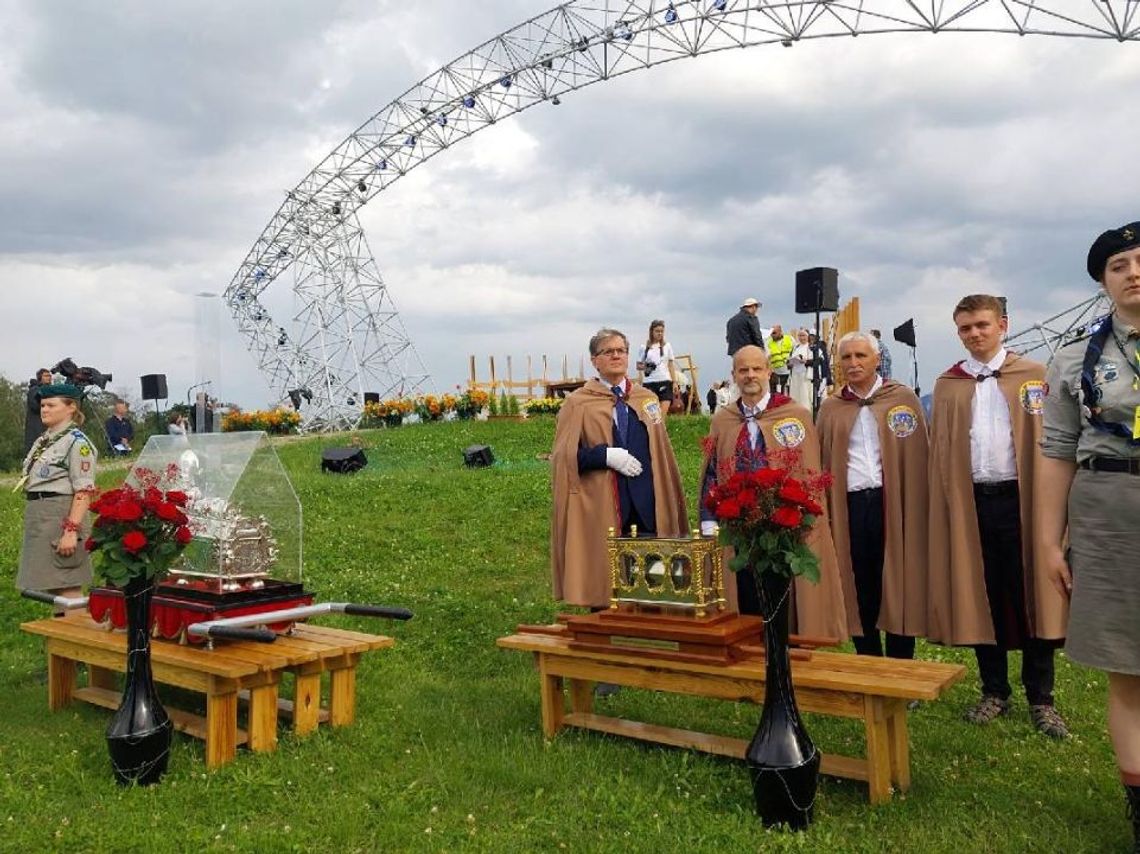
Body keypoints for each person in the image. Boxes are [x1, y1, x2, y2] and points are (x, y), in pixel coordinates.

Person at [1038, 221, 1140, 846]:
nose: (1133, 271)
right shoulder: (1074, 360)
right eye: (1118, 265)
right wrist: (1052, 541)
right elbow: (1056, 452)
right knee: (1128, 669)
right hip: (1109, 508)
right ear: (1103, 283)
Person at [927, 294, 1069, 738]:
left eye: (982, 325)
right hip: (973, 501)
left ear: (1003, 325)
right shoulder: (949, 384)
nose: (975, 334)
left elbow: (1051, 440)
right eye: (966, 328)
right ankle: (994, 689)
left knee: (1032, 592)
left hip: (1023, 498)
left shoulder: (1033, 375)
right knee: (981, 591)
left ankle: (1041, 697)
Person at [699, 345, 854, 639]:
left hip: (783, 527)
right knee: (745, 596)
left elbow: (808, 469)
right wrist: (709, 518)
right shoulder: (724, 419)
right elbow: (712, 471)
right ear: (733, 375)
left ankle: (786, 657)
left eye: (757, 368)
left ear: (769, 371)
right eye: (743, 370)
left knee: (786, 599)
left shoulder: (794, 414)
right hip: (740, 527)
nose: (750, 375)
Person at [550, 328, 688, 610]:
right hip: (604, 509)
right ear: (594, 360)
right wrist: (603, 456)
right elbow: (564, 457)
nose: (616, 355)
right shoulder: (578, 403)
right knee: (607, 590)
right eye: (608, 351)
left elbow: (662, 455)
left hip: (647, 508)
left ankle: (650, 640)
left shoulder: (646, 399)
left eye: (621, 351)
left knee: (653, 585)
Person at [817, 332, 929, 659]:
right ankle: (868, 663)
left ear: (877, 359)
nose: (853, 363)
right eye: (847, 357)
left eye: (860, 356)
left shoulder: (903, 399)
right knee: (858, 584)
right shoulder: (831, 408)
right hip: (850, 506)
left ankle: (900, 665)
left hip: (892, 504)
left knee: (897, 584)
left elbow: (920, 455)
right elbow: (823, 462)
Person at [16, 383, 97, 604]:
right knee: (54, 588)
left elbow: (83, 490)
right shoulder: (46, 439)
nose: (44, 410)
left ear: (71, 407)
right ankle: (61, 633)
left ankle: (74, 634)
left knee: (67, 586)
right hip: (42, 515)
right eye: (42, 405)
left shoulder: (77, 444)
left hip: (60, 515)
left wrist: (71, 531)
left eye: (51, 405)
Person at [636, 320, 679, 415]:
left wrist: (674, 382)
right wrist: (647, 366)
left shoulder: (667, 346)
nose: (660, 333)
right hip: (649, 383)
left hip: (665, 381)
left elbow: (671, 365)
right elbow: (638, 366)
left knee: (662, 415)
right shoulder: (644, 347)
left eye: (662, 331)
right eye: (657, 331)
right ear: (651, 331)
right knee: (653, 417)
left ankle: (661, 429)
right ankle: (653, 430)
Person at [24, 368, 52, 454]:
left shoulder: (51, 390)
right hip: (36, 427)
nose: (49, 378)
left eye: (50, 376)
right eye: (46, 376)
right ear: (40, 377)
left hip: (48, 427)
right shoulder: (34, 390)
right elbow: (35, 406)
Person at [788, 329, 814, 409]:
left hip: (805, 375)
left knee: (804, 395)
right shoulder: (795, 347)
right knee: (795, 394)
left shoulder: (811, 347)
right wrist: (790, 363)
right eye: (800, 335)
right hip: (795, 374)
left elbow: (815, 361)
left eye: (803, 335)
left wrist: (806, 361)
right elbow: (789, 360)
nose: (802, 338)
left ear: (807, 336)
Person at [766, 324, 794, 396]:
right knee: (775, 393)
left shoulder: (789, 339)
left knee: (787, 392)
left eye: (774, 333)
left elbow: (795, 351)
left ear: (780, 331)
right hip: (775, 371)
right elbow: (767, 357)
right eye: (771, 333)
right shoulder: (768, 342)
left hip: (788, 371)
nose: (772, 335)